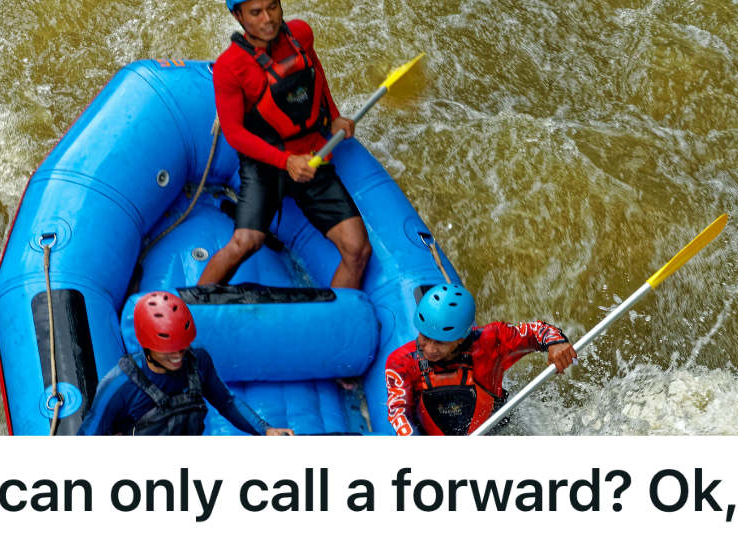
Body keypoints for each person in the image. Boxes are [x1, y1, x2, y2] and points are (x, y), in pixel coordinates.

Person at [201, 0, 372, 289]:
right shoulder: (229, 67)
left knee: (358, 249)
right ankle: (191, 308)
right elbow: (234, 133)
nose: (268, 19)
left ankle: (332, 326)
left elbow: (315, 71)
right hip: (265, 164)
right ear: (237, 15)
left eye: (273, 7)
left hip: (311, 153)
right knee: (246, 242)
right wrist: (285, 162)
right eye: (256, 13)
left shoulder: (301, 34)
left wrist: (333, 115)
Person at [77, 292, 294, 436]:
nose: (178, 355)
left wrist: (266, 430)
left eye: (182, 345)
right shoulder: (119, 385)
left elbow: (227, 402)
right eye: (169, 349)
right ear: (147, 346)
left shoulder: (197, 359)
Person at [383, 284, 577, 436]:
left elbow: (536, 332)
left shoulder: (490, 342)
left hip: (494, 430)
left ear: (461, 337)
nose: (430, 349)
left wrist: (556, 342)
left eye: (441, 342)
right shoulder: (401, 362)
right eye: (424, 338)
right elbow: (399, 412)